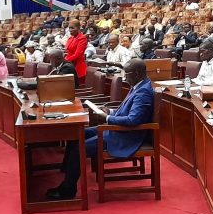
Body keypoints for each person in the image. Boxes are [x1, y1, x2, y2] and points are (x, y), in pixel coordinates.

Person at [46, 59, 154, 200]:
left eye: (126, 74)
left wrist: (106, 118)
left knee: (80, 148)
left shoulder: (143, 92)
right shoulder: (138, 85)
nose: (124, 77)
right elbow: (125, 111)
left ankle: (68, 189)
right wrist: (109, 111)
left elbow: (132, 120)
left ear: (137, 73)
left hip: (125, 136)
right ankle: (68, 175)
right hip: (117, 129)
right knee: (77, 134)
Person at [64, 19, 88, 86]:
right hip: (69, 65)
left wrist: (65, 61)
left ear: (78, 28)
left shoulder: (82, 38)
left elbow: (77, 55)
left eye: (72, 28)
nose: (70, 30)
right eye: (69, 28)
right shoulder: (70, 38)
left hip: (78, 66)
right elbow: (67, 51)